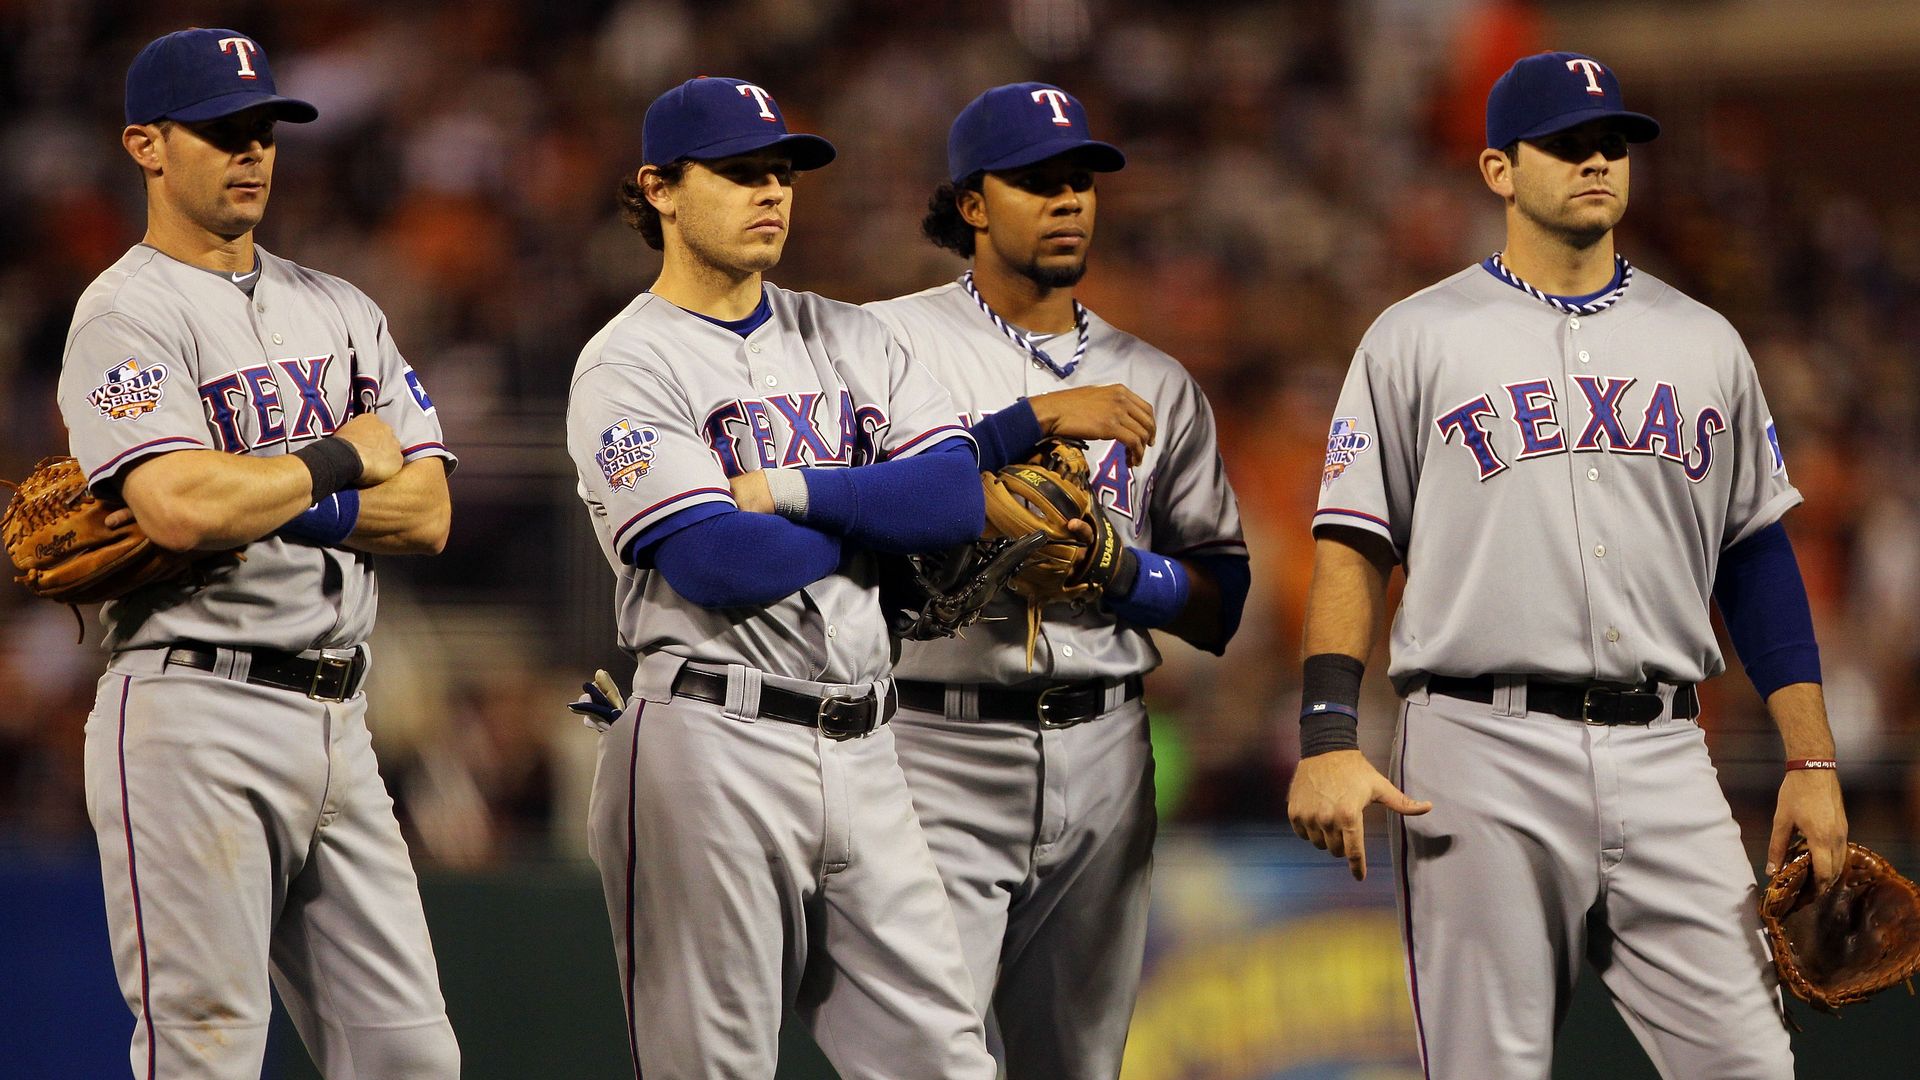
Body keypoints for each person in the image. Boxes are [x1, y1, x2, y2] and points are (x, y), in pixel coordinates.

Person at [1288, 51, 1846, 1079]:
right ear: (1499, 170)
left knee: (1753, 1064)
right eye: (1567, 144)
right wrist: (1327, 732)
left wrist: (1811, 764)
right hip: (1477, 749)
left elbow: (1756, 558)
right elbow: (1353, 543)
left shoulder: (1706, 341)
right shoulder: (1414, 338)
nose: (1597, 160)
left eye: (1612, 143)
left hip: (1669, 751)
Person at [565, 76, 996, 1080]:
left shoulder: (854, 335)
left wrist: (790, 488)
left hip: (870, 742)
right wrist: (871, 512)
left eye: (782, 172)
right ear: (660, 189)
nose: (773, 191)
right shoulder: (626, 364)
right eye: (741, 172)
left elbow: (956, 501)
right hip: (712, 744)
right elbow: (719, 561)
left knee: (948, 1062)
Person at [57, 28, 460, 1079]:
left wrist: (271, 493)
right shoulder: (122, 311)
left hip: (339, 716)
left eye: (265, 131)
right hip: (195, 711)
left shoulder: (341, 306)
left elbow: (425, 512)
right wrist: (337, 457)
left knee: (413, 1060)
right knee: (208, 1057)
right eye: (221, 132)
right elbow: (180, 506)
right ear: (146, 145)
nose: (252, 153)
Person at [864, 82, 1251, 1078]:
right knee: (927, 1058)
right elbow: (852, 507)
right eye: (1039, 181)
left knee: (1078, 1064)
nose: (1070, 198)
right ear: (972, 203)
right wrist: (977, 490)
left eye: (1081, 180)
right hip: (934, 741)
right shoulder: (889, 343)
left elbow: (1222, 600)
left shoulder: (1156, 379)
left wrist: (1124, 573)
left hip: (1106, 748)